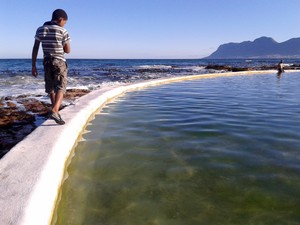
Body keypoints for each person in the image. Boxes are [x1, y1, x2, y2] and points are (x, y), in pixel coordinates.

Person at [32, 9, 71, 125]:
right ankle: (55, 110)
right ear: (60, 20)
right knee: (61, 86)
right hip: (59, 61)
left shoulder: (40, 29)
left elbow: (35, 48)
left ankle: (55, 111)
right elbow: (68, 50)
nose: (64, 24)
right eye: (65, 22)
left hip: (46, 61)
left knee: (51, 87)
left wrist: (33, 65)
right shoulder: (62, 31)